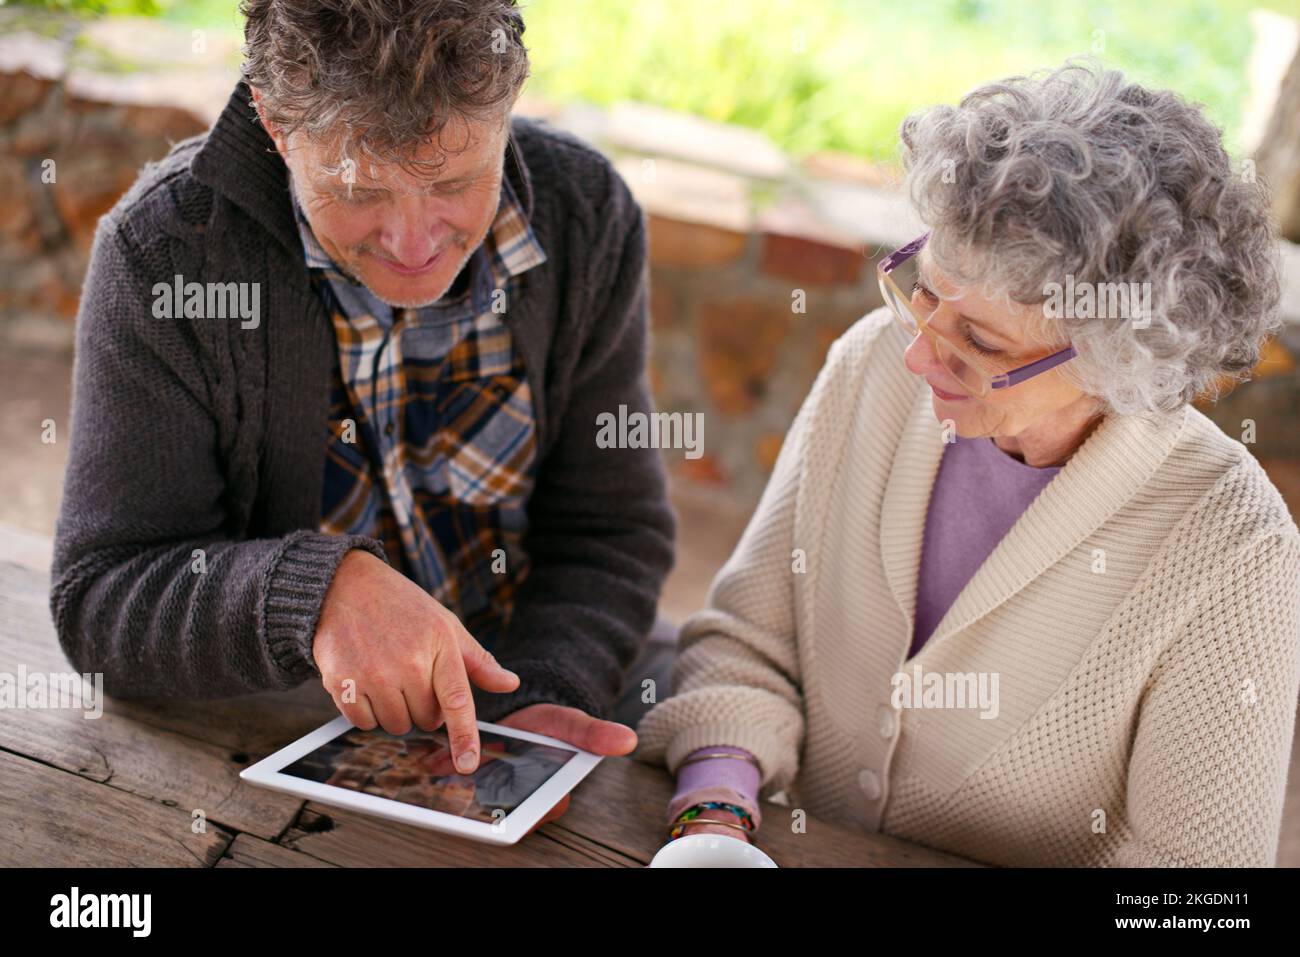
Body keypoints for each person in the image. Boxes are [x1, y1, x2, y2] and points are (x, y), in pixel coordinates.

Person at [635, 60, 1300, 867]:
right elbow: (748, 642)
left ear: (1120, 360)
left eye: (982, 341)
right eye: (925, 289)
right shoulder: (872, 368)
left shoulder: (1237, 551)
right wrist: (715, 810)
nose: (919, 354)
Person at [49, 0, 675, 832]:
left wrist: (539, 692)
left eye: (454, 183)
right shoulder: (164, 259)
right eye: (359, 190)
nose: (414, 243)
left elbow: (612, 529)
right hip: (277, 748)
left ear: (508, 105)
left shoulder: (588, 213)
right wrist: (311, 597)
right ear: (275, 123)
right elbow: (100, 603)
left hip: (548, 701)